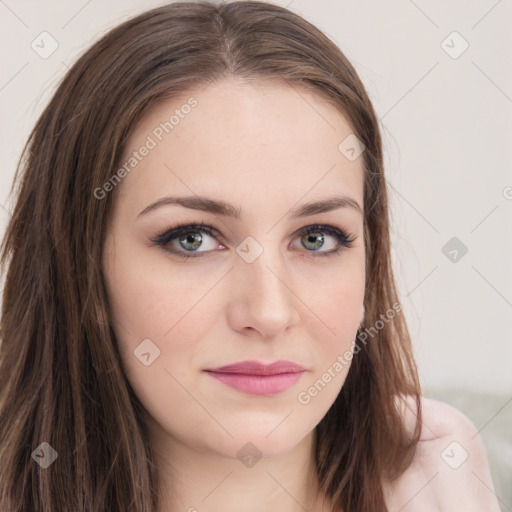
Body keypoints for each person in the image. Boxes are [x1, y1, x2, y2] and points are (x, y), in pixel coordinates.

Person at [0, 1, 500, 511]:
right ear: (82, 270)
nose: (268, 313)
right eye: (191, 238)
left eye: (316, 238)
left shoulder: (436, 468)